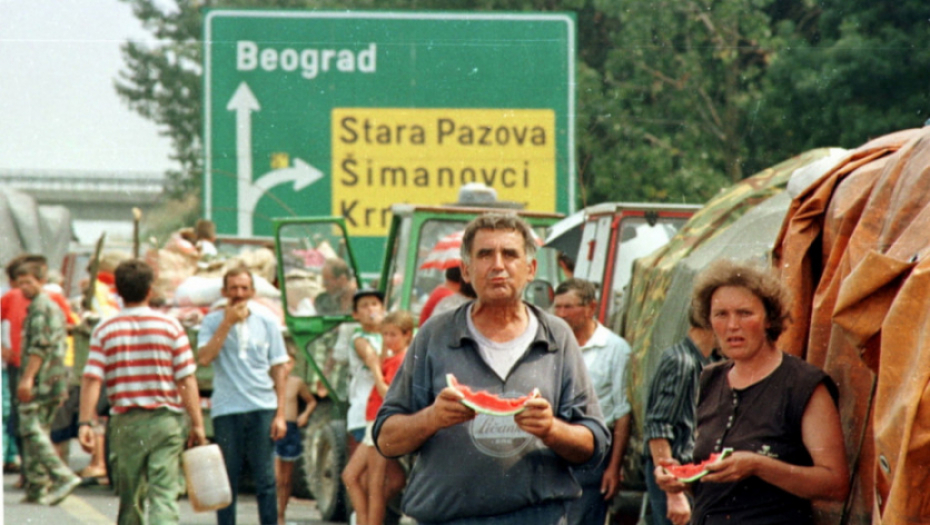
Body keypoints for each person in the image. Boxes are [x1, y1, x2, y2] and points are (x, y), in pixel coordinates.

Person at [374, 212, 610, 525]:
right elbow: (386, 439)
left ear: (531, 270)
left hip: (538, 517)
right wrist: (432, 418)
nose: (498, 265)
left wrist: (551, 429)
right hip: (448, 519)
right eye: (485, 254)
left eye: (510, 254)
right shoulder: (435, 335)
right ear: (467, 271)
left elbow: (593, 444)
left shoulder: (557, 336)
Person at [654, 259, 849, 524]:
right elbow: (716, 483)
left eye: (745, 313)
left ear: (770, 319)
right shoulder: (711, 379)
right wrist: (681, 481)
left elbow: (835, 484)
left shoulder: (803, 385)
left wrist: (759, 466)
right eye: (721, 314)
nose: (732, 325)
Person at [78, 259, 208, 523]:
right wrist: (197, 424)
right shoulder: (171, 327)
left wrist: (85, 422)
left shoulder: (104, 329)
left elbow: (92, 378)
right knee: (164, 493)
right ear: (150, 290)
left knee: (130, 498)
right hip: (165, 421)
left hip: (125, 424)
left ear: (117, 292)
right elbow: (186, 378)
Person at [197, 267, 290, 525]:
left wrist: (281, 414)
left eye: (244, 288)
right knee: (226, 479)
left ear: (252, 292)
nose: (238, 294)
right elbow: (204, 358)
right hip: (227, 409)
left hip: (262, 407)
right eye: (233, 288)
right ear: (224, 292)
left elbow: (279, 368)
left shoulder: (267, 322)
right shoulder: (212, 322)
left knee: (265, 480)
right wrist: (227, 322)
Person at [553, 278, 632, 525]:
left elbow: (623, 412)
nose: (561, 314)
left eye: (569, 307)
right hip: (554, 448)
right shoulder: (552, 346)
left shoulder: (615, 349)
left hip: (594, 455)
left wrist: (613, 468)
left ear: (591, 307)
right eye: (557, 307)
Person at [642, 308, 720, 525]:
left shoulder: (710, 362)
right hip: (671, 473)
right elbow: (658, 428)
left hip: (693, 476)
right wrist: (673, 493)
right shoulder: (680, 361)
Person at [13, 260, 82, 505]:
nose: (24, 287)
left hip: (42, 379)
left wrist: (27, 378)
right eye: (20, 283)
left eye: (28, 282)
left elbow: (39, 348)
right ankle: (36, 486)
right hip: (52, 379)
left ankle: (61, 476)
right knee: (37, 429)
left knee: (31, 427)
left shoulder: (42, 307)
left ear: (41, 282)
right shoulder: (42, 306)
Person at [361, 310, 413, 525]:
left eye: (393, 335)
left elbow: (387, 392)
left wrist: (373, 367)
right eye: (385, 334)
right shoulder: (394, 357)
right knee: (360, 478)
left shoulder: (401, 359)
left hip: (379, 419)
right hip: (373, 418)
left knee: (374, 483)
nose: (388, 339)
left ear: (407, 334)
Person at [342, 289, 387, 525]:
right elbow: (373, 359)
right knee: (369, 478)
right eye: (365, 306)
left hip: (383, 414)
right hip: (364, 413)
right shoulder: (360, 338)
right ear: (356, 315)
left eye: (375, 305)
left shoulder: (389, 335)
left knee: (389, 479)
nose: (371, 310)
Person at [275, 349, 318, 525]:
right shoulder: (271, 382)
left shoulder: (297, 383)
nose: (286, 367)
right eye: (283, 363)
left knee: (286, 479)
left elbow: (311, 401)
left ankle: (281, 514)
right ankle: (271, 512)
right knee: (275, 477)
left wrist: (305, 415)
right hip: (275, 429)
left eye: (290, 363)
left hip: (291, 428)